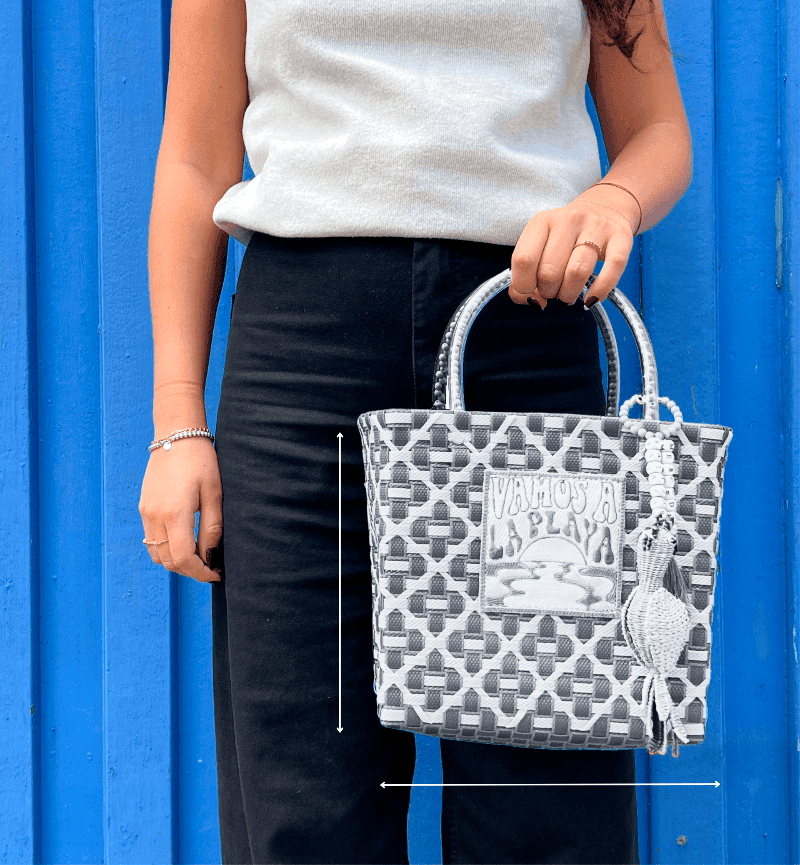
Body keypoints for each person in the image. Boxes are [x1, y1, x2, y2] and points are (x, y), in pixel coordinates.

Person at [138, 0, 692, 861]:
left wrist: (613, 201)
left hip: (526, 352)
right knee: (303, 804)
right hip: (304, 367)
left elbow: (658, 129)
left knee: (547, 807)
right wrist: (178, 418)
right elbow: (194, 156)